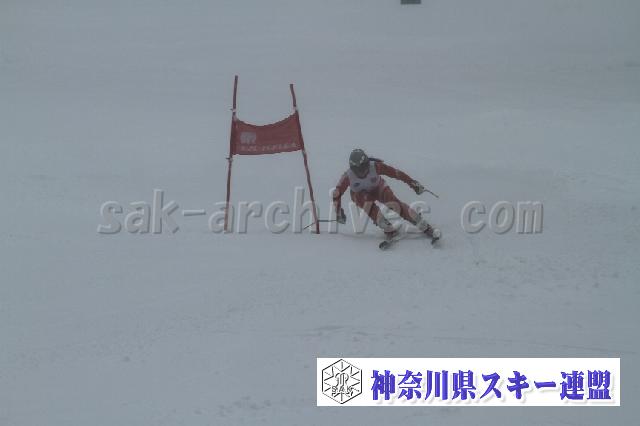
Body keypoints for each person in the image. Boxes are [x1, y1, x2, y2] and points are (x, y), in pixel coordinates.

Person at [332, 148, 441, 242]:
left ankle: (421, 223)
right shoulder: (348, 176)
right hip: (360, 194)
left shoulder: (375, 167)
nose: (362, 172)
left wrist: (413, 183)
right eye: (357, 170)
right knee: (368, 206)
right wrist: (338, 212)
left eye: (363, 168)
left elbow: (396, 173)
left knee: (394, 203)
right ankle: (388, 228)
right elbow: (337, 193)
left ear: (367, 163)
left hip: (378, 188)